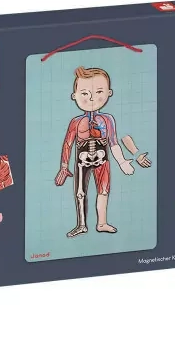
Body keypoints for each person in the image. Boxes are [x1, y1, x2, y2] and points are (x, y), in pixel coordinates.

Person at [54, 66, 134, 238]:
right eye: (84, 93)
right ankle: (81, 225)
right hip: (81, 162)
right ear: (74, 96)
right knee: (80, 192)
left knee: (103, 190)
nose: (91, 98)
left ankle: (102, 223)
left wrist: (122, 162)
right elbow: (68, 144)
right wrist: (63, 166)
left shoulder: (107, 119)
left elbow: (113, 142)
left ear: (109, 93)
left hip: (102, 161)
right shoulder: (75, 122)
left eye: (99, 92)